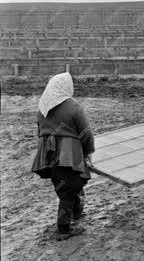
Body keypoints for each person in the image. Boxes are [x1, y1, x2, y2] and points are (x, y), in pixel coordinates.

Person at [31, 72, 95, 240]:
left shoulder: (42, 108)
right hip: (68, 154)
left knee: (62, 184)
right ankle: (63, 229)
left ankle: (75, 212)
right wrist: (88, 152)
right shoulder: (72, 106)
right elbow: (86, 133)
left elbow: (40, 132)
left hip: (48, 154)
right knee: (70, 187)